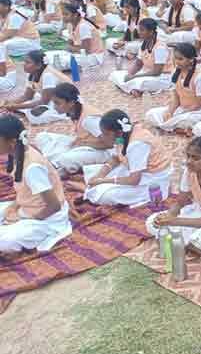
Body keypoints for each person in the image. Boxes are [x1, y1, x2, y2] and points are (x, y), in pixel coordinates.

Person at [0, 115, 72, 254]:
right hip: (28, 207)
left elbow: (54, 206)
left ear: (12, 142)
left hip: (45, 220)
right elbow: (24, 193)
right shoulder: (18, 152)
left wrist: (21, 219)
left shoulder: (33, 167)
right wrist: (13, 208)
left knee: (6, 240)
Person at [82, 110, 173, 207]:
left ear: (119, 133)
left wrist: (102, 181)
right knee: (92, 173)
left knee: (106, 195)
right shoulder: (125, 134)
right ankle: (93, 188)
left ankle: (86, 189)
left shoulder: (137, 144)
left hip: (152, 179)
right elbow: (115, 158)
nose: (103, 137)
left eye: (106, 134)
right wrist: (99, 175)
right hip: (137, 170)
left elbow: (134, 180)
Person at [33, 82, 113, 174]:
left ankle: (55, 163)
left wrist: (84, 144)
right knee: (42, 136)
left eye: (57, 103)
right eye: (54, 102)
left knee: (66, 159)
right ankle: (54, 162)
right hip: (83, 143)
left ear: (71, 103)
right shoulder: (74, 109)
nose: (54, 107)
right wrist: (79, 143)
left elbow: (110, 144)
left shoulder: (89, 120)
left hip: (104, 152)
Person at [145, 43, 201, 133]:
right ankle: (176, 128)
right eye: (175, 58)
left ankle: (173, 127)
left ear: (191, 60)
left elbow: (199, 104)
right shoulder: (175, 73)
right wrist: (170, 112)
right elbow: (176, 99)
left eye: (180, 59)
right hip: (183, 109)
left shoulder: (200, 77)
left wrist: (179, 114)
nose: (177, 61)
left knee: (184, 120)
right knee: (151, 114)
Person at [0, 50, 68, 125]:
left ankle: (65, 113)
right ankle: (26, 110)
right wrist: (10, 103)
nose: (24, 64)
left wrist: (15, 106)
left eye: (28, 62)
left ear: (38, 65)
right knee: (33, 101)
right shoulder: (31, 74)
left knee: (36, 117)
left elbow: (44, 102)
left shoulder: (48, 75)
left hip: (64, 100)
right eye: (24, 61)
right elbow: (27, 96)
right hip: (49, 97)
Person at [109, 18, 174, 95]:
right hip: (146, 74)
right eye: (139, 30)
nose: (139, 32)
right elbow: (138, 64)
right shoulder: (144, 44)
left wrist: (135, 76)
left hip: (161, 78)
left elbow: (156, 72)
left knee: (140, 82)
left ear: (151, 32)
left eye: (142, 30)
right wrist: (130, 74)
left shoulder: (160, 47)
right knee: (115, 74)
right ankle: (131, 90)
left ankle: (130, 88)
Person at [44, 2, 105, 71]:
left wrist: (71, 48)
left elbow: (85, 50)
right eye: (63, 14)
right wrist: (71, 48)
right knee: (48, 55)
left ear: (75, 15)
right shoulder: (70, 25)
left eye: (66, 14)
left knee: (61, 61)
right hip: (78, 53)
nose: (63, 17)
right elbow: (70, 43)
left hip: (93, 57)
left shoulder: (83, 26)